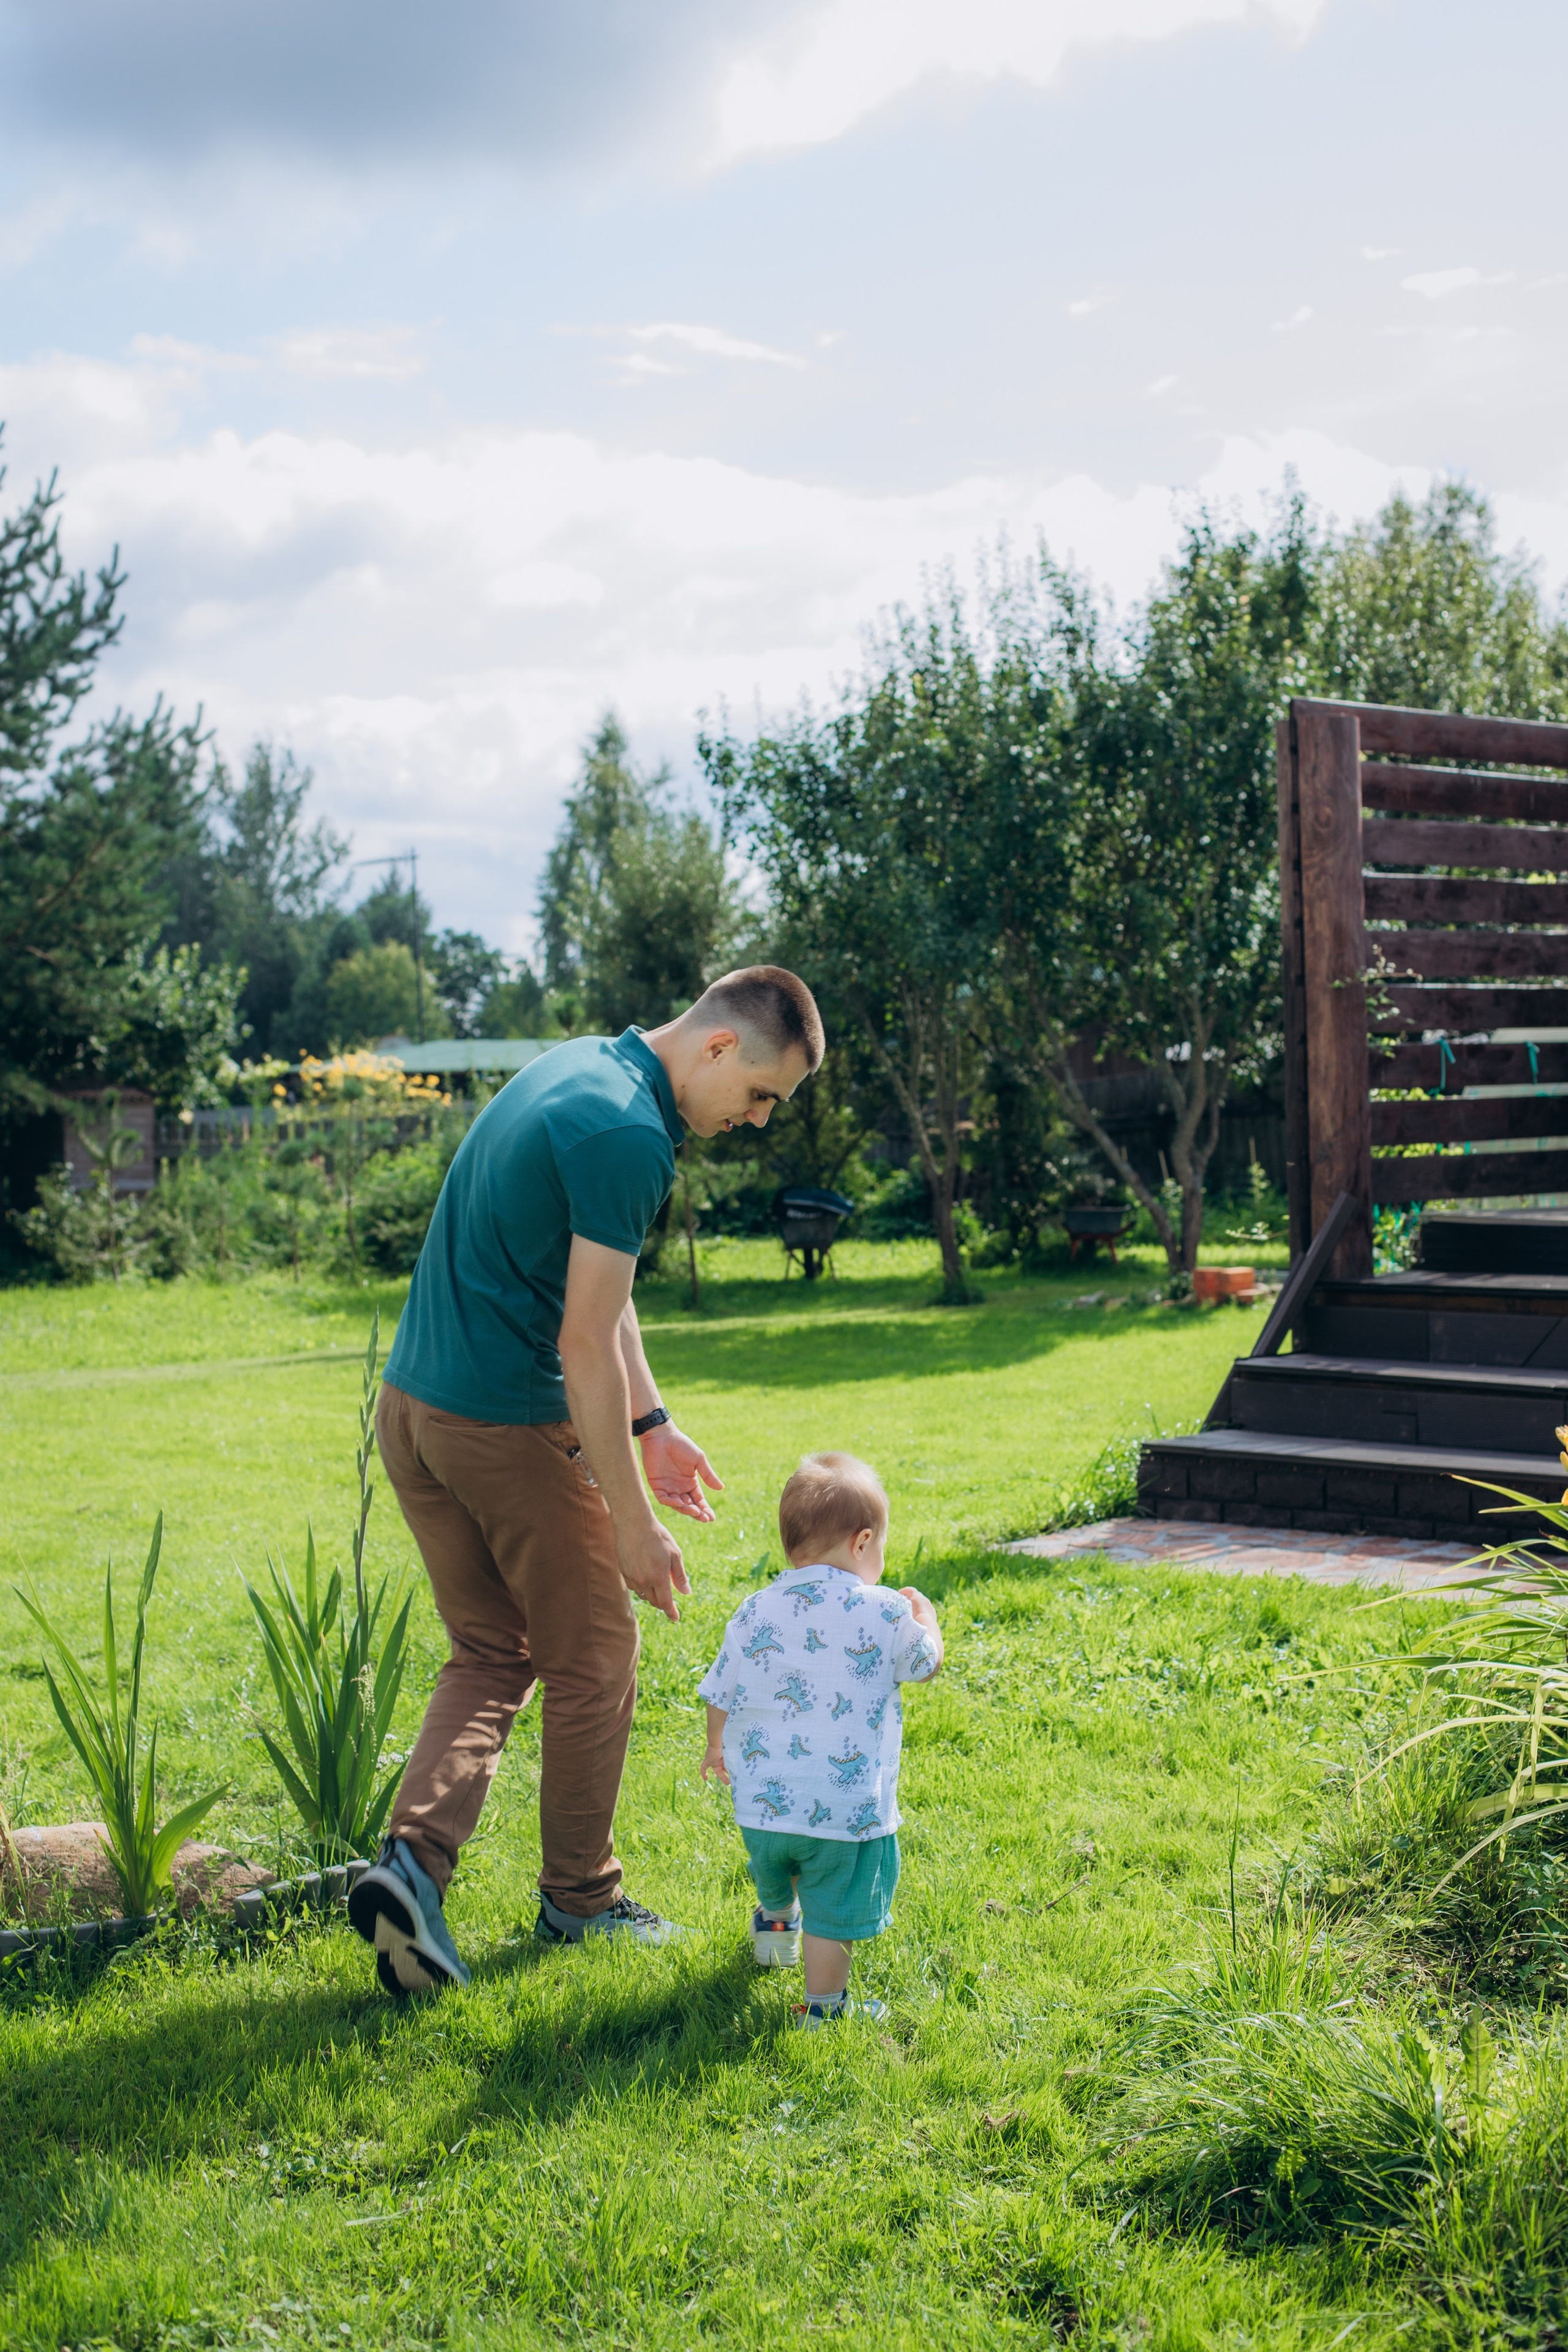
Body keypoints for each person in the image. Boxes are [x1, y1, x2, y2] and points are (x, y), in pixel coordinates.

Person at [347, 967, 824, 1996]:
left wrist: (653, 1426)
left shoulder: (584, 1071)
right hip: (500, 1423)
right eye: (760, 1095)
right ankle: (582, 1900)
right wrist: (631, 1521)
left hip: (412, 1414)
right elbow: (579, 1344)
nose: (753, 1120)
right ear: (716, 1049)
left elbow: (601, 1297)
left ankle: (409, 1872)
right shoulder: (630, 1139)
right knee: (598, 1656)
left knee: (491, 1648)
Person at [697, 1452, 943, 2028]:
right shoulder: (883, 1611)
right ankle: (824, 2010)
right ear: (862, 1543)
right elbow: (923, 1663)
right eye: (881, 1546)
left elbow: (720, 1689)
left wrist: (715, 1748)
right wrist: (926, 1619)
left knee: (778, 1877)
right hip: (844, 1811)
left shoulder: (755, 1609)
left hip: (762, 1804)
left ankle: (775, 1937)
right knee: (832, 1907)